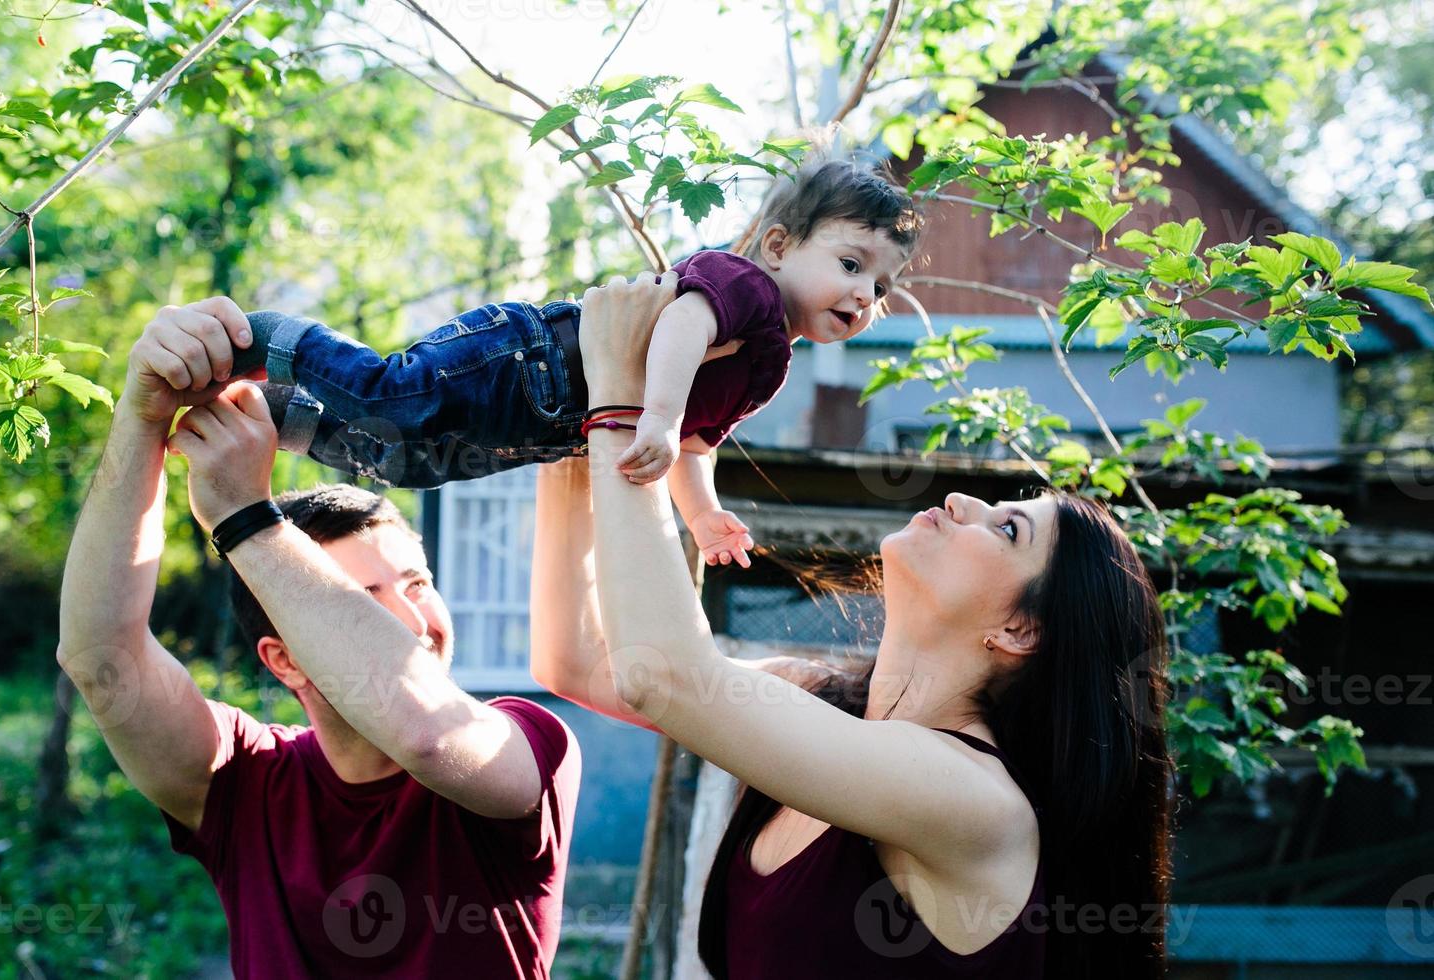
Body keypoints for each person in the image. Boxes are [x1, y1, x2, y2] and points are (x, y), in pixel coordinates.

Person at [531, 275, 1174, 978]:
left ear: (1020, 631)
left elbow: (666, 677)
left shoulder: (979, 805)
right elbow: (579, 662)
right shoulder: (821, 701)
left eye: (1008, 528)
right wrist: (572, 432)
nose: (962, 501)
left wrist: (624, 404)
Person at [56, 298, 580, 978]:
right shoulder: (243, 782)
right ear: (283, 661)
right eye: (360, 602)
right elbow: (100, 657)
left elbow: (426, 730)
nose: (417, 621)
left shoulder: (526, 741)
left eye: (416, 583)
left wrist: (246, 517)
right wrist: (141, 416)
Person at [229, 160, 920, 568]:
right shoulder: (747, 289)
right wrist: (658, 413)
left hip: (549, 426)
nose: (864, 294)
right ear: (778, 244)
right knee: (398, 397)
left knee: (416, 462)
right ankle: (275, 338)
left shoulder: (771, 366)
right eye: (851, 265)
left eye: (881, 287)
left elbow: (693, 445)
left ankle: (288, 419)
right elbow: (684, 322)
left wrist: (703, 515)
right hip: (531, 357)